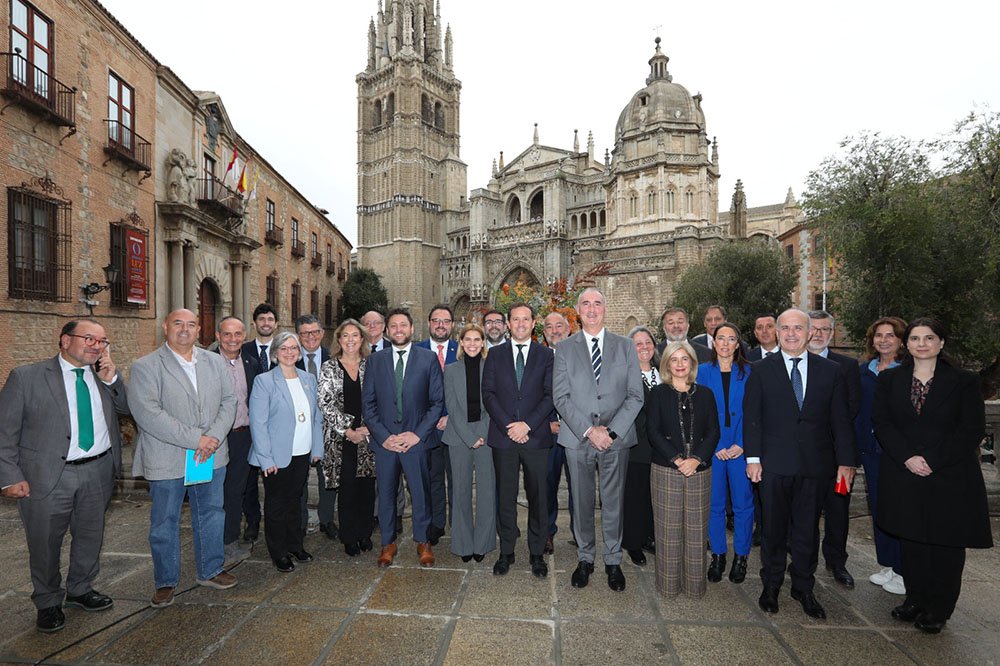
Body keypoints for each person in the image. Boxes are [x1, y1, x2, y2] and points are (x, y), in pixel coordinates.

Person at [0, 319, 128, 633]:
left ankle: (81, 589)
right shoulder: (27, 377)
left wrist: (112, 380)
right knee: (44, 542)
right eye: (89, 338)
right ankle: (47, 601)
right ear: (65, 341)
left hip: (98, 471)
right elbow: (5, 431)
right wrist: (8, 476)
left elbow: (126, 408)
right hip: (47, 476)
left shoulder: (102, 377)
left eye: (101, 341)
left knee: (90, 536)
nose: (96, 346)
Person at [873, 317, 992, 634]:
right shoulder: (890, 380)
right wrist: (908, 457)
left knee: (945, 544)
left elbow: (971, 431)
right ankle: (915, 599)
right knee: (912, 540)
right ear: (907, 344)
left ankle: (939, 609)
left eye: (928, 338)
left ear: (941, 342)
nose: (921, 344)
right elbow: (883, 424)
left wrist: (932, 460)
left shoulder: (964, 382)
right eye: (915, 338)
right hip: (905, 473)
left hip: (949, 476)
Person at [744, 308, 855, 620]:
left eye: (798, 328)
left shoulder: (830, 371)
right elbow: (753, 418)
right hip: (773, 465)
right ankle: (772, 585)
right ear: (777, 333)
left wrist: (847, 461)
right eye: (785, 328)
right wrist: (753, 458)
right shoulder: (760, 370)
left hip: (816, 466)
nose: (791, 333)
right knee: (774, 530)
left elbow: (841, 421)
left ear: (810, 333)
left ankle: (804, 586)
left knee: (807, 530)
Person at [130, 309, 238, 608]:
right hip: (168, 457)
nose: (185, 330)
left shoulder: (214, 362)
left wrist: (211, 438)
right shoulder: (146, 366)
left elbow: (229, 402)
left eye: (191, 325)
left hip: (210, 456)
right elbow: (148, 414)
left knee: (211, 513)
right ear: (165, 327)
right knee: (165, 520)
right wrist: (196, 440)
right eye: (178, 323)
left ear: (199, 329)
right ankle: (165, 580)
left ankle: (211, 568)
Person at [554, 288, 644, 591]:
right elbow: (561, 397)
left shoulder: (625, 346)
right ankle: (585, 558)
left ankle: (613, 561)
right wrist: (589, 430)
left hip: (616, 440)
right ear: (578, 311)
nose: (592, 309)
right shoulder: (565, 348)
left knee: (613, 502)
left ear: (606, 308)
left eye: (598, 303)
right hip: (577, 438)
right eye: (586, 304)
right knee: (581, 501)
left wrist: (611, 431)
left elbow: (635, 396)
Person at [362, 308, 443, 568]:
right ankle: (388, 542)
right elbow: (369, 404)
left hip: (415, 442)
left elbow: (437, 402)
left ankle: (423, 540)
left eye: (403, 325)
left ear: (412, 329)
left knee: (420, 492)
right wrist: (384, 437)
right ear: (387, 331)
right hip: (386, 443)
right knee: (385, 494)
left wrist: (417, 435)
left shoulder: (427, 359)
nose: (398, 330)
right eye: (393, 326)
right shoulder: (375, 361)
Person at [482, 303, 554, 578]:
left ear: (533, 322)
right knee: (505, 497)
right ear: (508, 324)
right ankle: (507, 551)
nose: (521, 323)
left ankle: (537, 554)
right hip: (504, 437)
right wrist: (509, 425)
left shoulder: (545, 355)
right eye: (516, 319)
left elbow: (550, 395)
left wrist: (528, 424)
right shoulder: (496, 354)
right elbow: (488, 393)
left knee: (538, 497)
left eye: (526, 319)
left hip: (536, 438)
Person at [647, 341, 719, 597]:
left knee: (697, 530)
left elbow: (713, 431)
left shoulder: (707, 394)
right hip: (666, 469)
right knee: (667, 530)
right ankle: (667, 586)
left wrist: (696, 459)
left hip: (699, 469)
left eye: (684, 359)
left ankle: (694, 587)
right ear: (666, 364)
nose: (679, 364)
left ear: (692, 363)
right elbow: (653, 432)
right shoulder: (657, 393)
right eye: (674, 360)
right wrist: (677, 460)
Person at [249, 332, 324, 572]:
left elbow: (316, 417)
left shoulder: (308, 379)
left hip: (302, 452)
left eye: (294, 348)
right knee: (276, 505)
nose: (290, 352)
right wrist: (265, 458)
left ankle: (295, 544)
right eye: (284, 348)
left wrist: (317, 448)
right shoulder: (265, 381)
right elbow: (258, 424)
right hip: (275, 456)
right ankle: (278, 551)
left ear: (299, 352)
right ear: (275, 353)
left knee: (296, 502)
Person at [807, 310, 862, 589]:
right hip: (803, 456)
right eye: (813, 329)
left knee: (838, 509)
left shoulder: (847, 365)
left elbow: (851, 409)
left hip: (839, 456)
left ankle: (837, 561)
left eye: (824, 330)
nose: (818, 334)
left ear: (832, 333)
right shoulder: (792, 363)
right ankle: (804, 560)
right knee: (804, 511)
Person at [697, 322, 753, 584]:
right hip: (714, 448)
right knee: (715, 505)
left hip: (741, 448)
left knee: (743, 505)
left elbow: (756, 414)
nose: (726, 343)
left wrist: (742, 443)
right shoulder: (702, 373)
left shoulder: (751, 373)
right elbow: (697, 412)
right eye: (721, 338)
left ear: (738, 344)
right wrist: (715, 446)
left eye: (732, 338)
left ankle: (741, 557)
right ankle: (718, 555)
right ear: (714, 342)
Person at [855, 316, 907, 595]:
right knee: (878, 507)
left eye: (890, 335)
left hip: (897, 452)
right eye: (879, 335)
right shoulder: (865, 371)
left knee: (899, 508)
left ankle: (903, 568)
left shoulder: (908, 371)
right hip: (869, 450)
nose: (883, 340)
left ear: (901, 340)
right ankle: (887, 563)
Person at [317, 319, 376, 557]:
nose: (350, 340)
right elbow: (325, 402)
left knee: (366, 487)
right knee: (347, 488)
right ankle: (349, 536)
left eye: (355, 335)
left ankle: (364, 533)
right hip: (341, 439)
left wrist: (368, 428)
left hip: (368, 437)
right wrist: (348, 430)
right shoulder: (329, 367)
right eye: (345, 336)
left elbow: (381, 399)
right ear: (338, 340)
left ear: (362, 340)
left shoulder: (371, 366)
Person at [442, 323, 496, 562]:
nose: (473, 343)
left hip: (486, 435)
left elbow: (494, 404)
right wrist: (469, 437)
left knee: (486, 491)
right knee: (460, 491)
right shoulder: (451, 370)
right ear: (461, 343)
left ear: (483, 343)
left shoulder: (491, 368)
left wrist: (481, 435)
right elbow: (452, 409)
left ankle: (482, 544)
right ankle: (463, 544)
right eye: (468, 339)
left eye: (477, 339)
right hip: (458, 435)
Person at [215, 316, 259, 566]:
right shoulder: (206, 363)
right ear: (219, 336)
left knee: (234, 492)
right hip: (214, 439)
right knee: (210, 493)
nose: (233, 339)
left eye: (238, 334)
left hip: (242, 436)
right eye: (227, 334)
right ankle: (211, 542)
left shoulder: (251, 363)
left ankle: (229, 542)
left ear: (244, 336)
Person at [416, 304, 458, 546]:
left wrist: (452, 416)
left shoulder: (461, 349)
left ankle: (458, 524)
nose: (441, 325)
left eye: (445, 321)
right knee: (432, 479)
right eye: (436, 320)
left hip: (455, 426)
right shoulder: (418, 350)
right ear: (429, 323)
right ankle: (437, 524)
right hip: (428, 429)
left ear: (451, 325)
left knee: (457, 480)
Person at [295, 314, 337, 541]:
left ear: (322, 333)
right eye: (305, 333)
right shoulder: (289, 359)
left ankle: (327, 520)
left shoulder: (334, 358)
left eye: (314, 332)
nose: (310, 337)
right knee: (299, 477)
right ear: (298, 336)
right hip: (298, 429)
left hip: (328, 429)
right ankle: (300, 521)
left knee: (327, 478)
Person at [239, 303, 279, 542]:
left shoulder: (286, 350)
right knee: (247, 478)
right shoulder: (242, 350)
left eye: (270, 319)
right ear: (254, 323)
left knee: (275, 478)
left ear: (275, 323)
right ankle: (252, 521)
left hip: (275, 426)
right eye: (261, 319)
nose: (266, 323)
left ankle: (276, 523)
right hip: (247, 424)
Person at [622, 326, 659, 566]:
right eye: (638, 343)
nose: (644, 347)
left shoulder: (664, 373)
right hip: (635, 444)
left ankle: (650, 536)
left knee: (654, 496)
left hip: (661, 447)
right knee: (634, 496)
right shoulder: (624, 376)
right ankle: (633, 542)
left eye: (648, 342)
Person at [542, 310, 575, 553]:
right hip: (550, 433)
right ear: (544, 334)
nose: (555, 331)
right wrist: (545, 425)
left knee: (579, 487)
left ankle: (581, 533)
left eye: (559, 326)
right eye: (550, 327)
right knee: (547, 485)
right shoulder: (540, 359)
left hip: (577, 433)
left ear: (569, 329)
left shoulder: (582, 356)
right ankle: (547, 533)